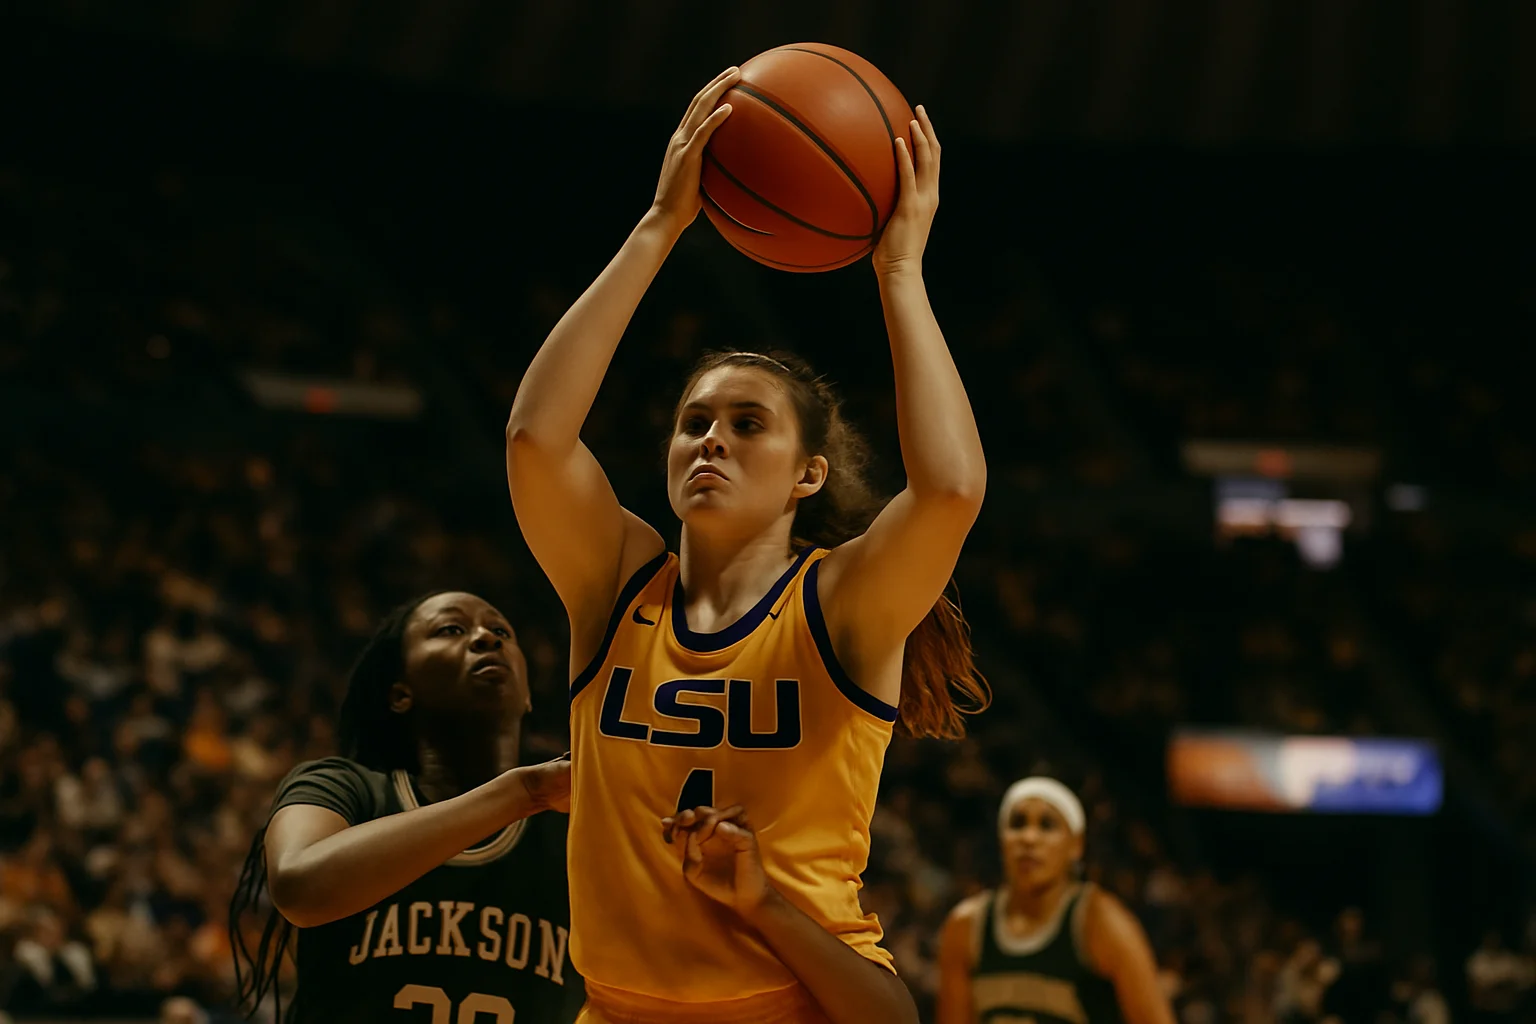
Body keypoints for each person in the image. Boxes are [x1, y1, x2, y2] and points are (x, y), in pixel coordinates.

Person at [507, 66, 987, 1024]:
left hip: (792, 1002)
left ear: (807, 474)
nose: (711, 438)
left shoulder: (840, 603)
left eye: (747, 423)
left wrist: (900, 273)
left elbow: (951, 490)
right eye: (693, 421)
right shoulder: (616, 584)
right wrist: (658, 227)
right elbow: (534, 440)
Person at [228, 591, 581, 1023]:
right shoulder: (341, 786)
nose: (486, 638)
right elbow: (300, 883)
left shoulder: (576, 824)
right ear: (400, 694)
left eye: (502, 632)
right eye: (451, 629)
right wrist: (522, 793)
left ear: (527, 694)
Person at [936, 778, 1175, 1024]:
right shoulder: (965, 926)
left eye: (1047, 825)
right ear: (1001, 840)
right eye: (1017, 824)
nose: (1029, 838)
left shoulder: (1101, 922)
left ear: (1076, 845)